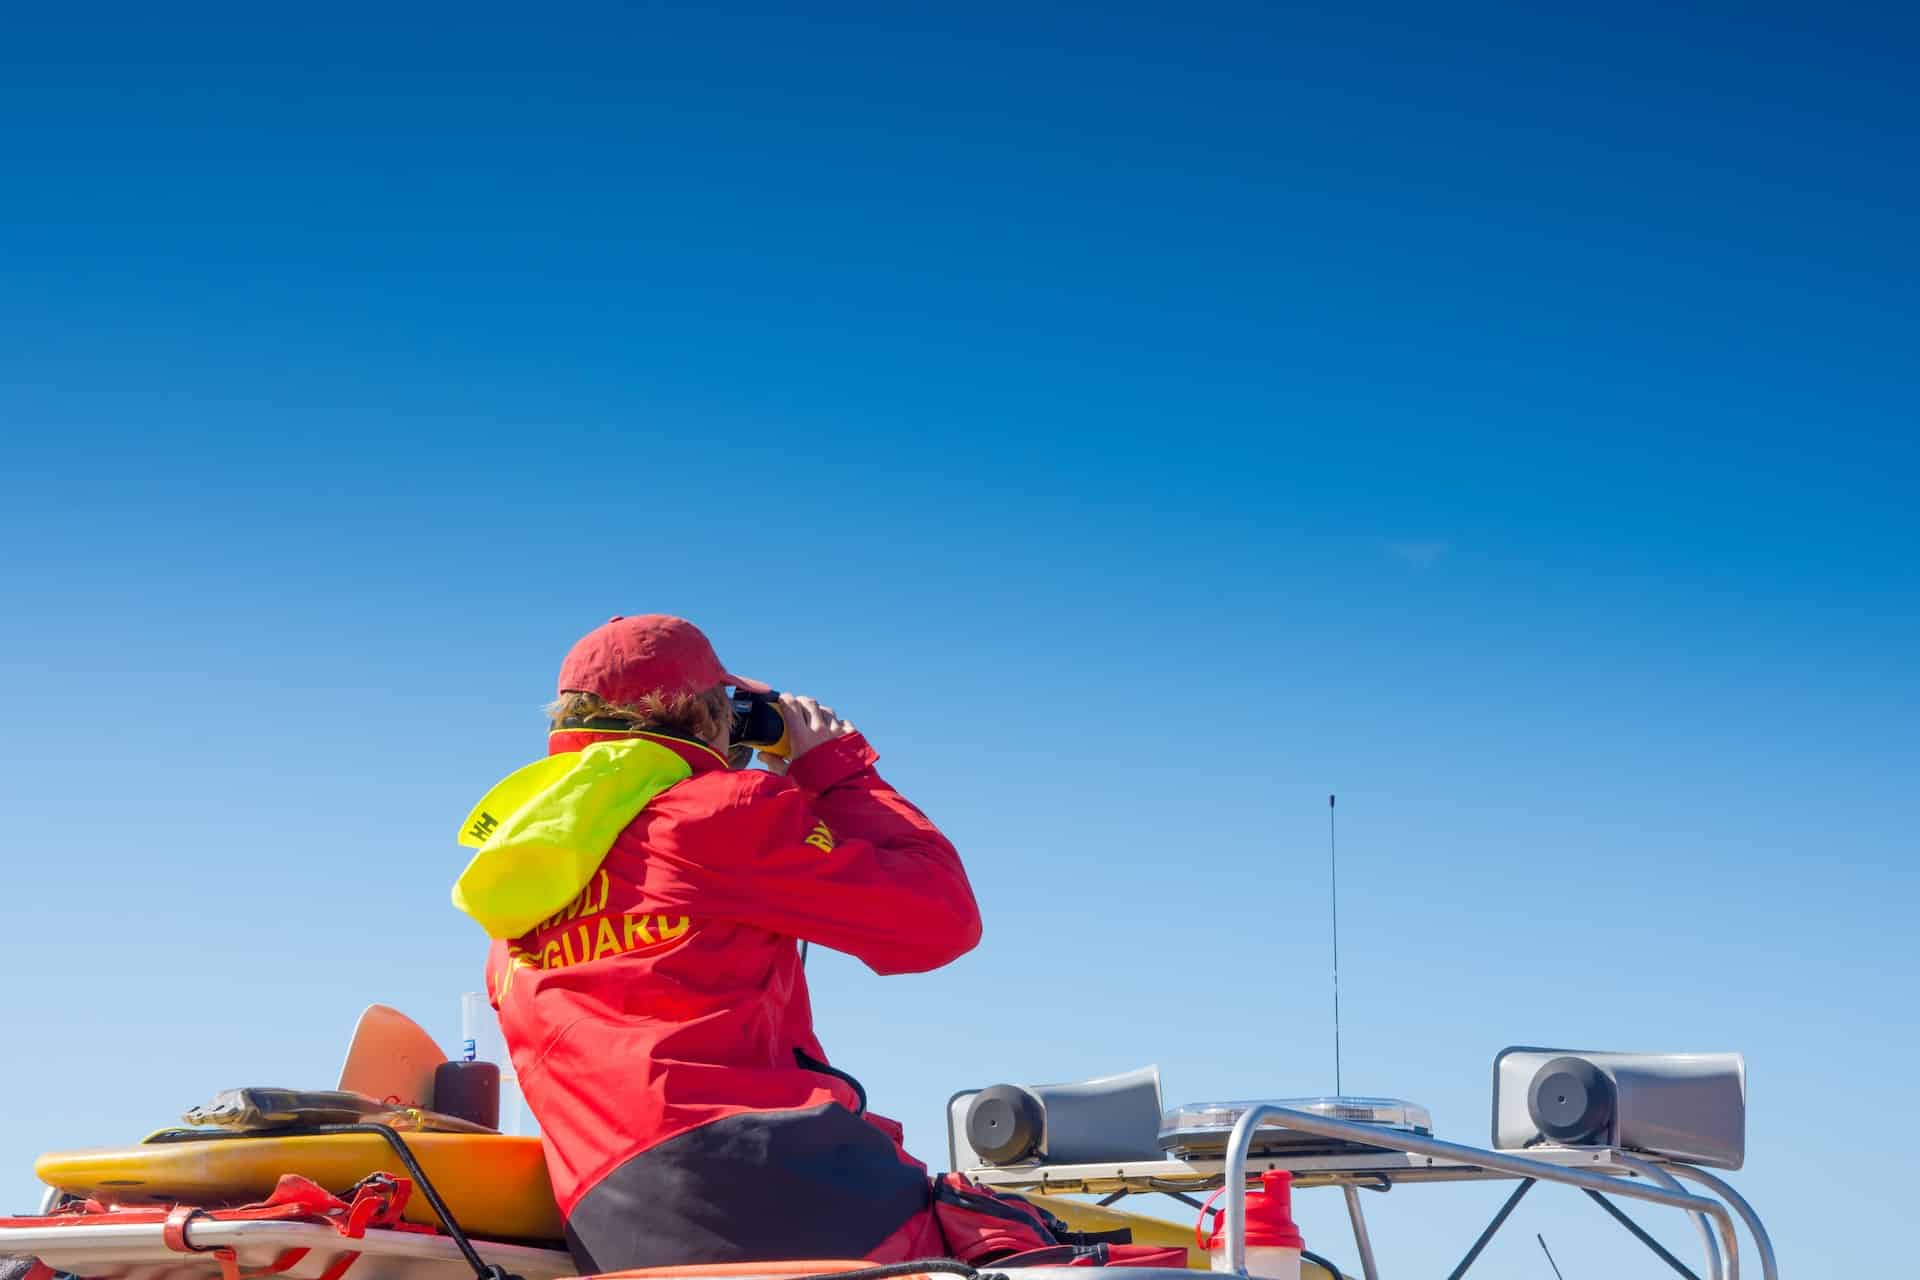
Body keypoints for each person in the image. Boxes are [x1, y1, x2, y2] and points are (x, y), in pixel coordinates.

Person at [451, 614, 982, 1272]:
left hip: (613, 1221)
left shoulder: (518, 883)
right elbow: (939, 920)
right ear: (702, 714)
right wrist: (837, 773)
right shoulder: (720, 812)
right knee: (1016, 1239)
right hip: (768, 1176)